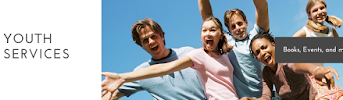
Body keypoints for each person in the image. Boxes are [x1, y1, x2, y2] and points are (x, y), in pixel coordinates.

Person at [102, 16, 240, 100]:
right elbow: (112, 94)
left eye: (153, 36)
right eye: (145, 40)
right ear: (140, 45)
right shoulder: (140, 73)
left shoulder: (188, 52)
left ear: (162, 36)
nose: (151, 42)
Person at [198, 0, 269, 98]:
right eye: (233, 27)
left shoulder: (257, 36)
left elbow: (262, 8)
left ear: (246, 22)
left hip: (265, 96)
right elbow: (208, 17)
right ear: (229, 30)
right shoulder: (228, 42)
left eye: (240, 23)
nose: (238, 28)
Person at [249, 32, 343, 100]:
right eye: (257, 52)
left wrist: (315, 70)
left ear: (273, 45)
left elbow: (297, 65)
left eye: (264, 47)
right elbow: (266, 96)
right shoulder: (266, 73)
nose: (262, 53)